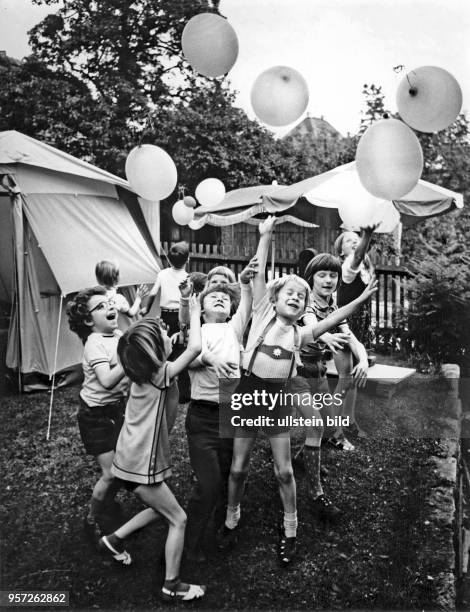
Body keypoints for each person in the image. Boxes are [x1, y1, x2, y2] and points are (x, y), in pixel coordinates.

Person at [220, 216, 377, 566]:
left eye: (300, 296)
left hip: (276, 400)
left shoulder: (300, 334)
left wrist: (361, 299)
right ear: (274, 301)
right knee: (238, 468)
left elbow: (333, 321)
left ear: (303, 306)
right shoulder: (261, 315)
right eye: (288, 293)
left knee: (285, 471)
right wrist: (265, 234)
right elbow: (258, 274)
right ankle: (231, 518)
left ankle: (290, 530)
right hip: (250, 394)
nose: (295, 297)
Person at [99, 298, 205, 603]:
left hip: (128, 460)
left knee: (161, 509)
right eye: (163, 336)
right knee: (178, 519)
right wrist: (195, 312)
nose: (167, 336)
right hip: (140, 466)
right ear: (156, 354)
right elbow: (195, 349)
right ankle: (172, 584)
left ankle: (113, 541)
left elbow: (149, 345)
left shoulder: (139, 372)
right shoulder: (161, 374)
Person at [184, 257, 257, 563]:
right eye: (214, 296)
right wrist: (211, 359)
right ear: (201, 309)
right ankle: (188, 544)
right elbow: (190, 358)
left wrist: (244, 282)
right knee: (208, 483)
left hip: (230, 414)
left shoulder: (233, 330)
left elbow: (248, 304)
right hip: (201, 417)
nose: (220, 298)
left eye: (226, 299)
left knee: (228, 476)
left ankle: (221, 529)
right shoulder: (198, 329)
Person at [291, 253, 369, 522]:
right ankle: (316, 494)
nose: (328, 280)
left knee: (325, 421)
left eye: (333, 275)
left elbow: (351, 336)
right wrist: (325, 335)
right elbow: (311, 325)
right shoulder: (306, 300)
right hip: (297, 372)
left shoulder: (331, 302)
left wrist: (363, 360)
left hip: (318, 371)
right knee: (316, 425)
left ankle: (301, 459)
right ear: (311, 278)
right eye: (322, 275)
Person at [66, 286, 128, 541]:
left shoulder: (119, 335)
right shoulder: (94, 344)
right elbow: (106, 381)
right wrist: (128, 358)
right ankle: (91, 518)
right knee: (111, 473)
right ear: (89, 320)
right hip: (95, 415)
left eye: (110, 303)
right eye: (100, 306)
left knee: (122, 468)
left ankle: (108, 506)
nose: (110, 307)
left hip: (116, 410)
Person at [140, 242, 189, 335]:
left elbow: (153, 293)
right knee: (180, 341)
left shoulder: (162, 274)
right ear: (188, 259)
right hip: (181, 314)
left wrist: (147, 309)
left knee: (165, 339)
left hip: (165, 315)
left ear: (169, 261)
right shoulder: (187, 277)